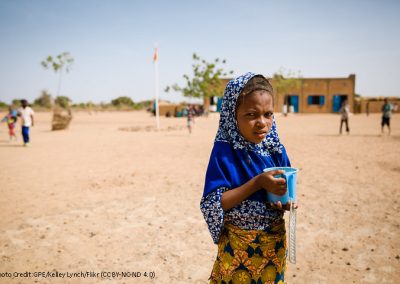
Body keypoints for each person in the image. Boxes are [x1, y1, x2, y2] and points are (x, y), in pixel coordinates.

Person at [200, 72, 296, 283]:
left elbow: (285, 195)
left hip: (273, 247)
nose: (262, 122)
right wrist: (257, 182)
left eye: (268, 114)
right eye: (251, 115)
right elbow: (214, 203)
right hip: (237, 249)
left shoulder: (275, 149)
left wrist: (286, 203)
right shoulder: (224, 152)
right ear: (232, 116)